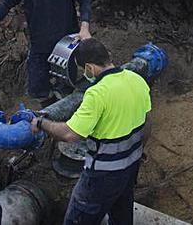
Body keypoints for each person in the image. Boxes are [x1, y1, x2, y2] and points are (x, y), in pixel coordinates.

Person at [30, 38, 151, 225]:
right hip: (130, 168)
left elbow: (70, 134)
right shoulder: (136, 80)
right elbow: (147, 123)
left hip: (101, 177)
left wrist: (41, 123)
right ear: (108, 56)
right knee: (122, 218)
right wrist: (137, 150)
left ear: (89, 67)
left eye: (83, 70)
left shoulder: (97, 94)